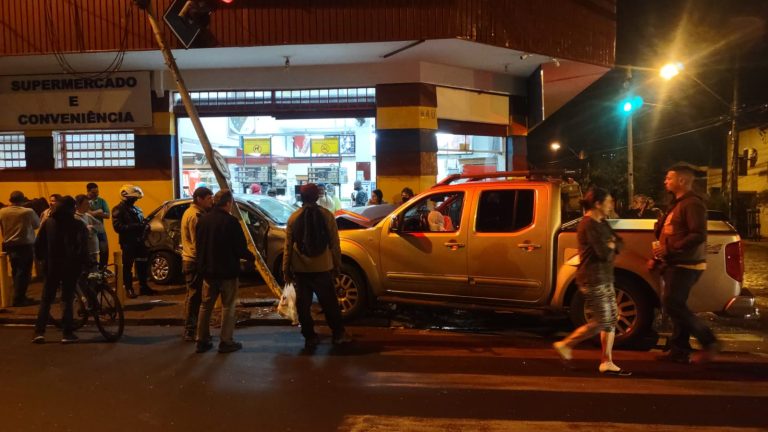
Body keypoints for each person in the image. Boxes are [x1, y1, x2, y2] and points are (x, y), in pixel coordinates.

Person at [553, 187, 631, 376]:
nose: (611, 205)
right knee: (604, 320)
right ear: (597, 204)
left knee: (611, 319)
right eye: (608, 202)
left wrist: (612, 244)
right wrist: (611, 245)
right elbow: (603, 252)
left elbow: (619, 243)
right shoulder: (588, 224)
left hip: (605, 276)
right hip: (592, 278)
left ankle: (607, 361)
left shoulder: (602, 222)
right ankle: (565, 344)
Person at [653, 163, 719, 365]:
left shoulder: (692, 204)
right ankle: (679, 350)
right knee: (676, 304)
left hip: (685, 264)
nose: (665, 181)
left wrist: (670, 250)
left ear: (682, 180)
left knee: (673, 303)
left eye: (669, 178)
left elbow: (698, 235)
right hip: (675, 262)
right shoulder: (678, 203)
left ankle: (708, 340)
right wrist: (659, 255)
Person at [283, 183, 351, 350]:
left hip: (301, 270)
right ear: (317, 197)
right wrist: (337, 264)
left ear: (301, 197)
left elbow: (288, 247)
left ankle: (310, 337)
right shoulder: (327, 216)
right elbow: (335, 243)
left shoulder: (293, 218)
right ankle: (338, 334)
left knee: (303, 306)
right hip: (323, 268)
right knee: (329, 303)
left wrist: (286, 269)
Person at [195, 189, 254, 354]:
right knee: (228, 307)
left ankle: (201, 340)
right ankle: (226, 341)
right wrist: (252, 258)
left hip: (208, 271)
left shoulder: (203, 220)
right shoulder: (231, 222)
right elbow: (240, 248)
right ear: (228, 203)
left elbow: (199, 246)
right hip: (227, 271)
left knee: (206, 306)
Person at [33, 196, 89, 344]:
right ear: (72, 208)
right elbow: (83, 248)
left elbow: (38, 245)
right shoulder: (78, 225)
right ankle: (67, 333)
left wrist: (42, 260)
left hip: (51, 267)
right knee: (67, 299)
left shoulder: (48, 223)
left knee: (46, 300)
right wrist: (86, 263)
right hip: (71, 267)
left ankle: (39, 332)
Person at [180, 187, 214, 342]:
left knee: (195, 296)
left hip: (191, 259)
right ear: (199, 199)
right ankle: (190, 330)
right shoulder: (195, 215)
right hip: (193, 261)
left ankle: (193, 329)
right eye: (208, 198)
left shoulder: (191, 212)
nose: (211, 201)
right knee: (194, 297)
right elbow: (198, 243)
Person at [112, 184, 156, 299]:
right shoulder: (118, 209)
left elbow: (142, 223)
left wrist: (146, 227)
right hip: (128, 243)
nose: (136, 199)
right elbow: (118, 227)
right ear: (126, 197)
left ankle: (143, 287)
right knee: (128, 266)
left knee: (142, 264)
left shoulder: (137, 209)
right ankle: (129, 289)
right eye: (134, 198)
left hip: (140, 241)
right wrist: (137, 226)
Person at [0, 191, 41, 306]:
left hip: (9, 245)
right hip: (25, 245)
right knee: (24, 272)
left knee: (15, 271)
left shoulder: (2, 212)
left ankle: (18, 296)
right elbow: (37, 225)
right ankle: (19, 299)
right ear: (22, 200)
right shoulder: (27, 211)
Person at [86, 183, 110, 270]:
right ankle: (92, 271)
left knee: (104, 251)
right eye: (93, 192)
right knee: (91, 253)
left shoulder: (102, 201)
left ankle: (102, 270)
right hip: (88, 231)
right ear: (88, 191)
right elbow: (83, 212)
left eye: (97, 192)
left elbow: (107, 215)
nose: (96, 194)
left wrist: (91, 213)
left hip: (100, 230)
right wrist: (97, 212)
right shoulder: (83, 200)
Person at [74, 194, 101, 272]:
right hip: (84, 250)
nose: (88, 206)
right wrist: (85, 230)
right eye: (86, 204)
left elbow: (101, 226)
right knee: (85, 272)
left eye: (89, 203)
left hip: (94, 248)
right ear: (78, 204)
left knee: (94, 271)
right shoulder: (74, 217)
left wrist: (92, 227)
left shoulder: (88, 215)